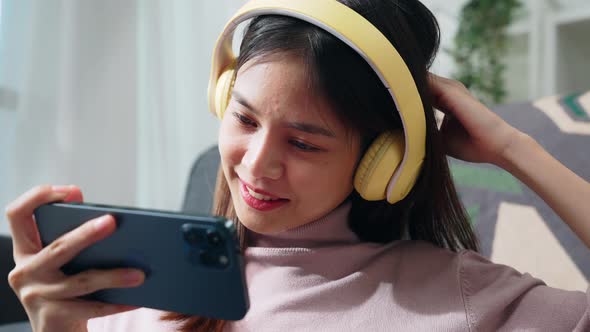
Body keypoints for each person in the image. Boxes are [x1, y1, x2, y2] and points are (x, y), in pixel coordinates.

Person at [5, 0, 590, 331]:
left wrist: (514, 148)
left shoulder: (456, 297)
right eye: (245, 120)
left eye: (305, 144)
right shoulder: (138, 296)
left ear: (380, 163)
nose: (257, 166)